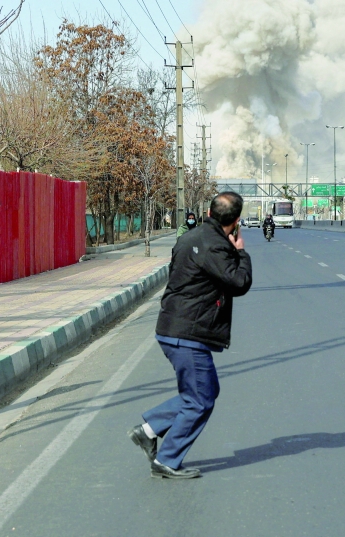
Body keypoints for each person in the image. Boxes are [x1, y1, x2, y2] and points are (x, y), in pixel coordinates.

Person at [129, 191, 252, 479]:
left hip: (172, 327)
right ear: (235, 222)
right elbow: (239, 282)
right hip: (189, 334)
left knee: (203, 392)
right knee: (200, 399)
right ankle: (167, 459)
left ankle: (147, 430)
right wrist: (241, 252)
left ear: (209, 214)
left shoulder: (188, 238)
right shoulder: (217, 247)